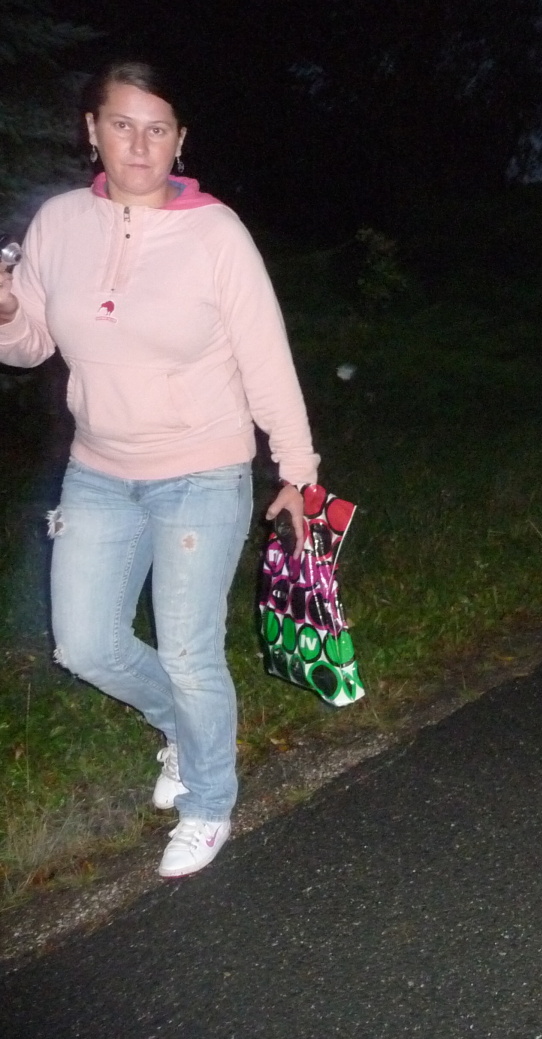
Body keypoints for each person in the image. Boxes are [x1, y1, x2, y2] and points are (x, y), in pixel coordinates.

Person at [0, 61, 319, 878]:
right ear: (92, 131)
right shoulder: (59, 223)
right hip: (98, 471)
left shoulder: (216, 234)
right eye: (121, 125)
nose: (138, 145)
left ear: (180, 141)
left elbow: (267, 361)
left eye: (157, 129)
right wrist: (5, 309)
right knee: (85, 644)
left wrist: (297, 472)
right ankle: (182, 728)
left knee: (189, 652)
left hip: (202, 471)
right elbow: (29, 344)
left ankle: (209, 801)